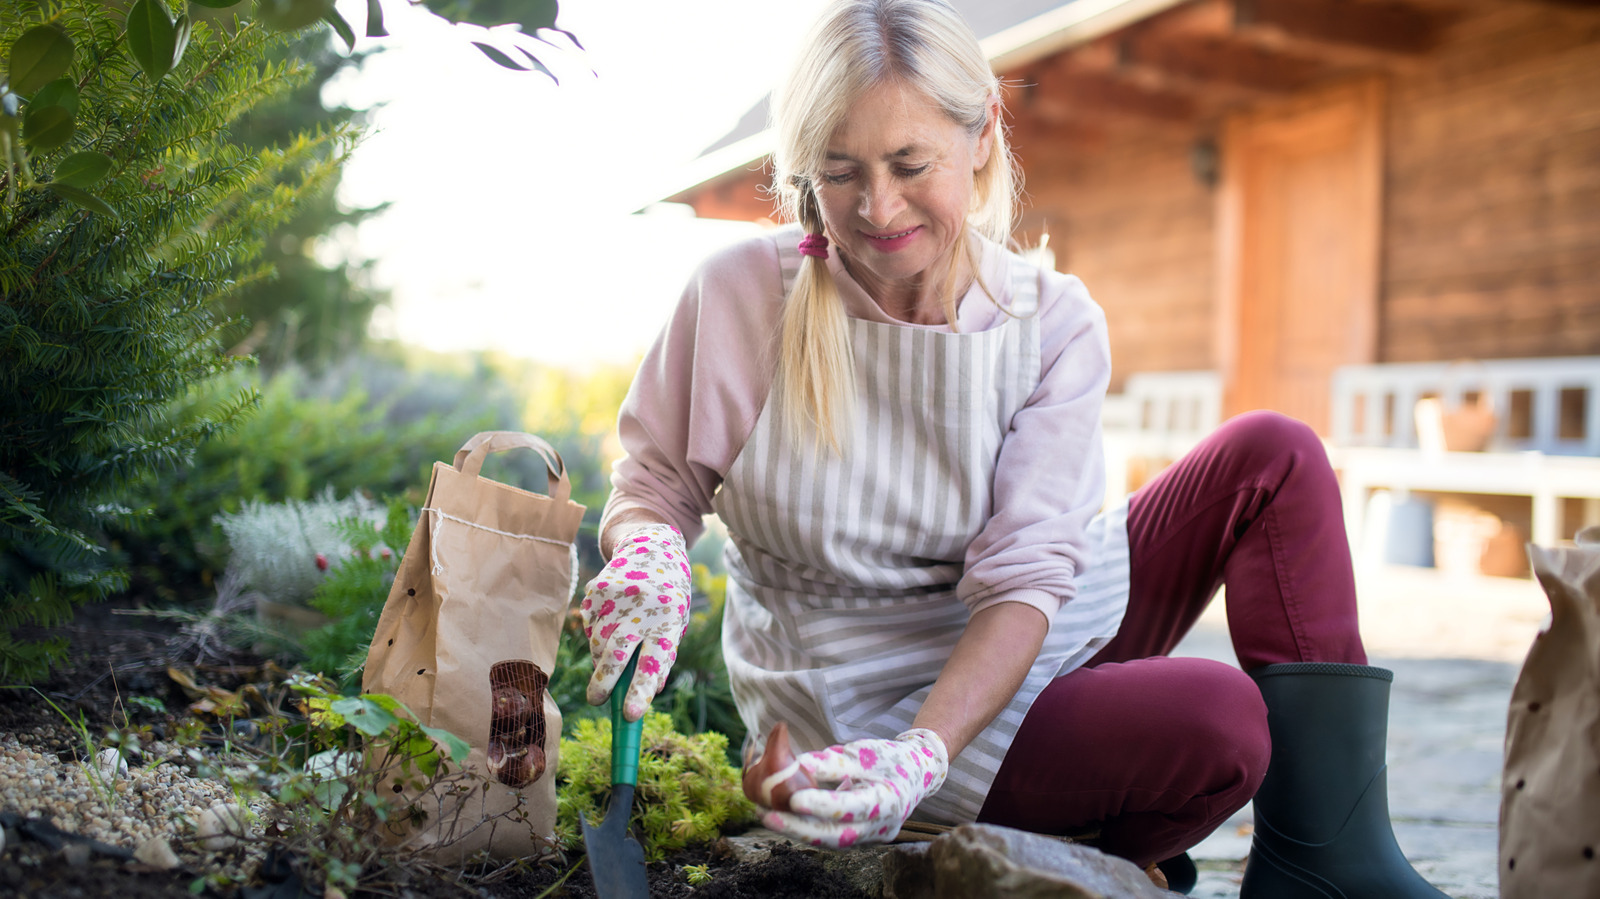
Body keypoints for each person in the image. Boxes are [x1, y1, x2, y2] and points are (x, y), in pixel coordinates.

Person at [578, 1, 1449, 895]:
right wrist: (647, 547)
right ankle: (1061, 825)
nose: (878, 208)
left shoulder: (1049, 321)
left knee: (1275, 452)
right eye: (841, 174)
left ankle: (1326, 860)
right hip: (858, 698)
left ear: (984, 131)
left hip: (1006, 637)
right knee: (1219, 722)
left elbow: (1027, 577)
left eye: (911, 164)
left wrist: (932, 747)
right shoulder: (742, 296)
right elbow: (657, 481)